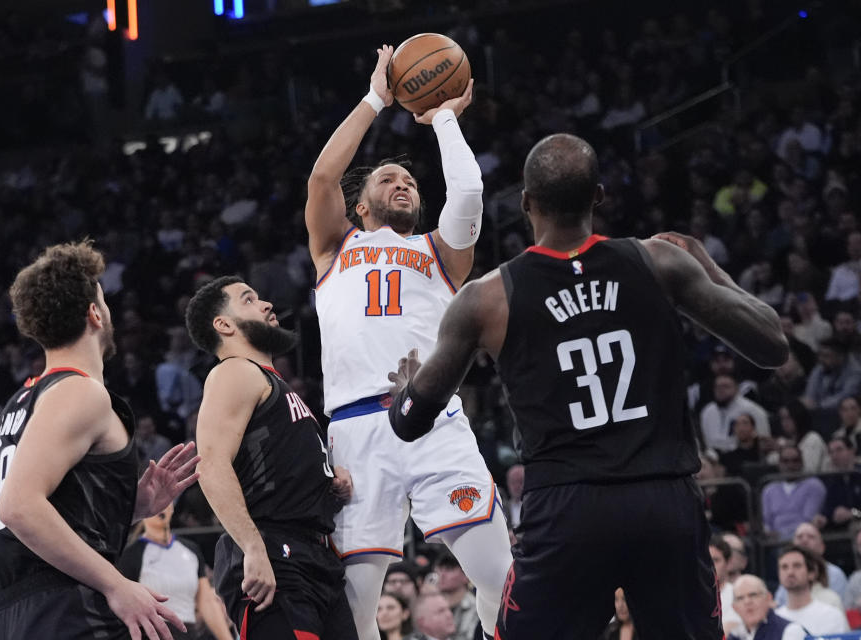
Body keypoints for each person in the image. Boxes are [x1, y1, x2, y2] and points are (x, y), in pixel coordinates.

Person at [387, 133, 788, 639]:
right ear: (598, 196)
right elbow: (772, 345)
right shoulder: (659, 262)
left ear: (526, 203)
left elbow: (409, 422)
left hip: (566, 509)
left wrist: (407, 386)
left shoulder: (487, 298)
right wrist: (705, 265)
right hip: (663, 499)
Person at [304, 45, 511, 640]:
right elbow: (322, 177)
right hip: (354, 432)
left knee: (503, 577)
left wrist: (443, 116)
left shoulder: (440, 254)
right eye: (386, 179)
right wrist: (376, 99)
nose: (401, 183)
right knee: (353, 609)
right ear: (360, 206)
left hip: (432, 421)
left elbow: (467, 195)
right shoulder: (333, 249)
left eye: (408, 180)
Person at [0, 242, 200, 640]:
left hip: (11, 613)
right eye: (104, 301)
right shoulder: (80, 393)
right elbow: (19, 507)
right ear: (95, 314)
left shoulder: (22, 400)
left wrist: (128, 507)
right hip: (60, 609)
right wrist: (117, 584)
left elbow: (42, 510)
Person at [185, 277, 357, 640]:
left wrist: (328, 484)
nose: (265, 305)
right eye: (248, 300)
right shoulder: (235, 372)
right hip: (274, 551)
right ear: (224, 324)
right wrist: (252, 547)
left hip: (313, 556)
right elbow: (211, 463)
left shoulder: (271, 382)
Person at [117, 502, 233, 640]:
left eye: (165, 501)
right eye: (155, 500)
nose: (160, 507)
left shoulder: (191, 550)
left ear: (171, 507)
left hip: (188, 633)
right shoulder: (131, 555)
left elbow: (207, 602)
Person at [774, 546, 849, 634]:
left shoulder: (832, 616)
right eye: (784, 567)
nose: (790, 572)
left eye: (797, 566)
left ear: (812, 573)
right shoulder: (773, 621)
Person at [761, 445, 826, 539]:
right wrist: (770, 534)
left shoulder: (814, 485)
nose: (790, 465)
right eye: (785, 461)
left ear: (802, 463)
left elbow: (809, 521)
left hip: (803, 539)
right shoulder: (769, 489)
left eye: (795, 461)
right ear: (779, 464)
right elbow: (766, 522)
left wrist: (783, 536)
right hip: (774, 541)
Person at [773, 522, 847, 606]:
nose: (804, 540)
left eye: (811, 537)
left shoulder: (835, 574)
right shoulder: (789, 575)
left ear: (822, 547)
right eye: (799, 537)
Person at [727, 575, 805, 640]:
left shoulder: (790, 630)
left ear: (768, 598)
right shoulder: (734, 635)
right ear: (734, 608)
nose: (747, 601)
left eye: (753, 595)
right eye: (740, 598)